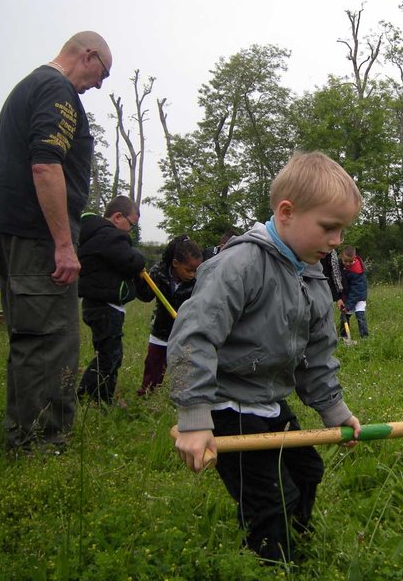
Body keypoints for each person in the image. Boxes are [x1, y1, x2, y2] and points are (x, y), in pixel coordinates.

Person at [168, 151, 362, 562]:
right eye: (329, 228)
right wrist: (194, 420)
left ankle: (297, 536)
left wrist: (335, 411)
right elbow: (193, 337)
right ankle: (276, 561)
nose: (337, 241)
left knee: (308, 472)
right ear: (287, 212)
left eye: (342, 230)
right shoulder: (237, 266)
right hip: (227, 408)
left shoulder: (311, 275)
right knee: (270, 499)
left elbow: (317, 354)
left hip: (270, 405)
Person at [0, 31, 112, 451]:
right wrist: (64, 245)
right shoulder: (57, 89)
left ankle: (21, 430)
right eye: (102, 74)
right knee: (51, 338)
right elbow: (45, 165)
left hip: (10, 228)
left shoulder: (29, 85)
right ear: (87, 55)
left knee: (28, 335)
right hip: (37, 237)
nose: (99, 86)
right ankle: (42, 440)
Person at [76, 196, 145, 405]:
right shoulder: (110, 236)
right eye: (131, 224)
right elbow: (131, 260)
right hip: (105, 306)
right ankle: (90, 397)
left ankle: (100, 397)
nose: (130, 231)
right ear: (117, 217)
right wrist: (140, 257)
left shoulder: (93, 234)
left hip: (96, 304)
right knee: (109, 356)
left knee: (111, 353)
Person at [134, 234, 203, 396]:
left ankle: (184, 396)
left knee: (184, 365)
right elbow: (145, 296)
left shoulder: (198, 282)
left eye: (196, 270)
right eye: (189, 270)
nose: (192, 274)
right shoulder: (159, 273)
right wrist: (138, 279)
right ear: (175, 263)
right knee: (154, 364)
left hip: (184, 331)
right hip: (161, 330)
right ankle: (148, 394)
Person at [339, 245, 370, 339]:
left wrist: (348, 306)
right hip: (348, 296)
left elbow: (356, 291)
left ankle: (364, 337)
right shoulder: (340, 265)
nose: (348, 264)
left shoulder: (357, 270)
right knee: (344, 317)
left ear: (354, 258)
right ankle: (344, 336)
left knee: (360, 317)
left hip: (359, 296)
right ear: (341, 257)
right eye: (345, 261)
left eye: (350, 261)